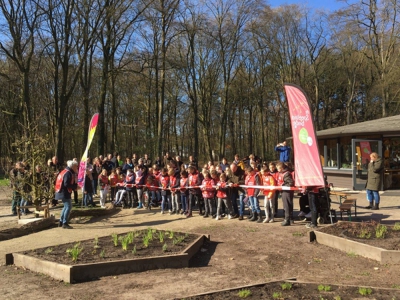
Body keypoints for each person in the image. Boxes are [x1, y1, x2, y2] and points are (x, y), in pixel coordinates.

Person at [55, 160, 78, 229]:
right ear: (73, 166)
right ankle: (64, 223)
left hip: (62, 191)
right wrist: (74, 187)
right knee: (68, 206)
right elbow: (66, 184)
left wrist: (74, 187)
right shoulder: (68, 173)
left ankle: (61, 221)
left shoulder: (66, 171)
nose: (77, 167)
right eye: (76, 166)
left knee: (65, 207)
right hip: (64, 192)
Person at [276, 161, 295, 226]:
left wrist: (282, 185)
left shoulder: (286, 174)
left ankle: (287, 219)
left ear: (281, 168)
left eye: (278, 168)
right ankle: (288, 219)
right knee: (286, 205)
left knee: (287, 205)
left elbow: (290, 183)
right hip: (283, 191)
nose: (277, 170)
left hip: (287, 192)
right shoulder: (281, 173)